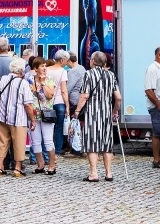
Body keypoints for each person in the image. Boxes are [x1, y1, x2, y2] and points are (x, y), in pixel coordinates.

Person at [73, 51, 121, 182]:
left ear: (93, 61)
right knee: (107, 143)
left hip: (92, 114)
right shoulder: (111, 75)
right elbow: (118, 97)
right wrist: (115, 111)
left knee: (92, 142)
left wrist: (77, 111)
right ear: (105, 62)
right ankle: (108, 173)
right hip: (106, 114)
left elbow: (84, 95)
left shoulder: (88, 74)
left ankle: (94, 173)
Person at [0, 58, 34, 177]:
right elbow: (28, 104)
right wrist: (33, 119)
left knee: (2, 142)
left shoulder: (2, 79)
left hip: (1, 115)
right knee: (19, 143)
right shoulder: (23, 83)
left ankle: (0, 167)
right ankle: (17, 168)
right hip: (18, 118)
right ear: (22, 70)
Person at [28, 57, 57, 175]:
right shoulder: (30, 80)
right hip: (33, 114)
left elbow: (50, 95)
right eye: (42, 66)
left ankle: (51, 165)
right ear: (35, 68)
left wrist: (43, 83)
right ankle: (40, 165)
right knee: (35, 141)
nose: (44, 68)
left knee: (48, 140)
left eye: (45, 66)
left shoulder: (50, 79)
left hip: (46, 114)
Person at [46, 50, 70, 156]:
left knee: (47, 127)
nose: (67, 62)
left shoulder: (46, 70)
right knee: (59, 127)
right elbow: (64, 90)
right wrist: (67, 106)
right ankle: (58, 150)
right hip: (59, 102)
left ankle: (47, 149)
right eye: (66, 60)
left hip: (47, 102)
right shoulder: (63, 71)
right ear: (62, 60)